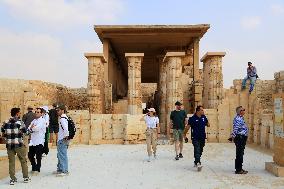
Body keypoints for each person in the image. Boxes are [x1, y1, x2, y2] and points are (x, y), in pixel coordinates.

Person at [1, 108, 30, 185]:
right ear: (17, 114)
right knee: (23, 160)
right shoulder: (20, 122)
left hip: (9, 145)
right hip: (19, 145)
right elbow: (26, 132)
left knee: (11, 162)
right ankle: (25, 177)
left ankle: (13, 179)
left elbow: (3, 133)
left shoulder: (5, 122)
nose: (20, 114)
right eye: (19, 113)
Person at [188, 106, 210, 171]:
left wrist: (207, 123)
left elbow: (208, 124)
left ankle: (196, 161)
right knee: (197, 149)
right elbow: (187, 127)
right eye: (202, 110)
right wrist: (184, 135)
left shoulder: (204, 117)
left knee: (200, 150)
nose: (203, 111)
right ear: (198, 111)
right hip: (195, 137)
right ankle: (198, 163)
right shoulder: (192, 118)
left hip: (202, 137)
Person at [230, 106, 249, 174]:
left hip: (242, 137)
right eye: (243, 110)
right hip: (240, 137)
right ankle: (238, 169)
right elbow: (236, 129)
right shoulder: (238, 119)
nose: (244, 111)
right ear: (240, 111)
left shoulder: (241, 118)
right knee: (239, 154)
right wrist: (233, 136)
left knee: (240, 153)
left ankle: (239, 168)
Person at [27, 108, 46, 175]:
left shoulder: (42, 120)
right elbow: (28, 128)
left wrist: (32, 128)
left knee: (38, 156)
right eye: (36, 112)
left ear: (41, 113)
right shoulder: (34, 120)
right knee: (30, 155)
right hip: (33, 141)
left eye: (38, 112)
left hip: (39, 140)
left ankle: (37, 169)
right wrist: (32, 127)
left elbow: (37, 128)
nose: (36, 113)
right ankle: (34, 167)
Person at [55, 104, 69, 176]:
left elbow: (66, 129)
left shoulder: (62, 119)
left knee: (62, 155)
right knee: (60, 155)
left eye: (58, 110)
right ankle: (60, 169)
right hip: (62, 139)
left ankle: (64, 170)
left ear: (62, 110)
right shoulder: (64, 118)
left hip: (62, 139)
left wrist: (66, 138)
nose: (57, 111)